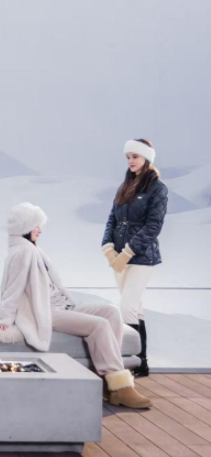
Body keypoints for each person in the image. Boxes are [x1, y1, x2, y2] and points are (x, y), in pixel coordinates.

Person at [0, 202, 152, 409]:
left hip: (62, 306)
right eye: (35, 225)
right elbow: (12, 288)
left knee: (112, 312)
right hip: (44, 311)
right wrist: (5, 318)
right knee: (99, 325)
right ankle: (119, 387)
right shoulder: (23, 252)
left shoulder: (33, 249)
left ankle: (107, 381)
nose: (40, 229)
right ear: (24, 227)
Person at [101, 139, 168, 377]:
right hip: (118, 258)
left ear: (146, 158)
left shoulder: (157, 188)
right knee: (135, 310)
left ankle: (127, 363)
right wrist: (108, 248)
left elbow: (153, 226)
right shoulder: (125, 185)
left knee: (126, 307)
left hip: (141, 257)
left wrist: (128, 252)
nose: (130, 161)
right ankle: (141, 363)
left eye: (135, 156)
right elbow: (112, 219)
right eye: (128, 156)